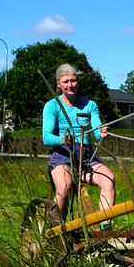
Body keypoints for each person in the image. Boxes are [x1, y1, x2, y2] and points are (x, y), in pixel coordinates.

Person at [42, 63, 115, 229]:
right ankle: (55, 227)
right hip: (62, 154)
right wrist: (62, 140)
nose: (70, 85)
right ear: (58, 84)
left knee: (108, 179)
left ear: (78, 83)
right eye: (66, 81)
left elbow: (96, 131)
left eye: (73, 81)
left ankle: (106, 227)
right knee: (65, 186)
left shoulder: (90, 105)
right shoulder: (52, 106)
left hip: (86, 154)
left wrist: (101, 132)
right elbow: (46, 137)